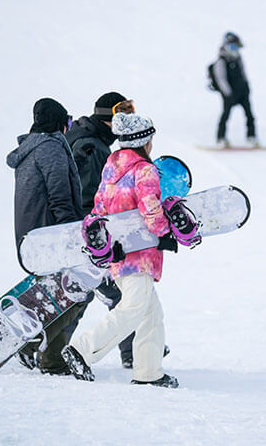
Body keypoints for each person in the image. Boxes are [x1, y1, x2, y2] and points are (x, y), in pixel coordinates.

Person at [61, 111, 181, 388]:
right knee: (133, 308)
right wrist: (165, 233)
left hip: (119, 252)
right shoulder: (144, 170)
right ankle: (81, 350)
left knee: (151, 314)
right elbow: (151, 209)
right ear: (144, 141)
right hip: (140, 254)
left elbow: (99, 208)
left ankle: (149, 373)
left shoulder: (111, 166)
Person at [6, 97, 89, 375]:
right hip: (52, 235)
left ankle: (44, 352)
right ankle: (39, 349)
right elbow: (59, 196)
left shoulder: (29, 149)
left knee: (62, 294)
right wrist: (73, 237)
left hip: (32, 235)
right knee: (76, 293)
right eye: (67, 121)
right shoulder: (50, 148)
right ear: (58, 123)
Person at [208, 32, 257, 148]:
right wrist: (228, 94)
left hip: (243, 92)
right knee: (225, 116)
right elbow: (221, 79)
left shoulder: (238, 59)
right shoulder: (221, 61)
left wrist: (247, 87)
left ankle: (252, 137)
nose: (235, 49)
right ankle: (221, 138)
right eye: (232, 46)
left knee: (250, 115)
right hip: (230, 94)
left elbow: (243, 73)